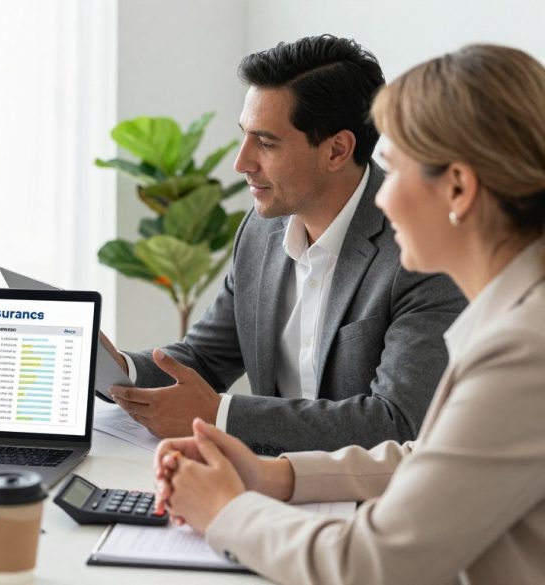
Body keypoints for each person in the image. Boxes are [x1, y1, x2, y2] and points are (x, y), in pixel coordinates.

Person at [154, 44, 545, 584]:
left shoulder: (524, 353)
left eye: (394, 168)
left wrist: (226, 511)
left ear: (458, 188)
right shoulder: (517, 320)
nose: (380, 198)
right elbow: (429, 457)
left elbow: (370, 564)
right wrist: (273, 475)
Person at [107, 35, 466, 453]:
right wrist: (117, 369)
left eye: (266, 143)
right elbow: (204, 359)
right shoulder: (260, 232)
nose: (241, 162)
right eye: (245, 136)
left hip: (366, 489)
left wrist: (221, 415)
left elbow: (397, 421)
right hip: (264, 477)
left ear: (337, 150)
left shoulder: (421, 248)